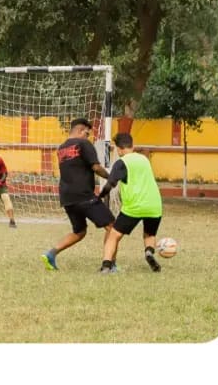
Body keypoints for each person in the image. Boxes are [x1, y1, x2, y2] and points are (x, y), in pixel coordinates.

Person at [40, 117, 113, 271]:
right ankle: (109, 264)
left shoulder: (61, 148)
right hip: (84, 195)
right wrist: (110, 177)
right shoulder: (84, 144)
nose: (88, 136)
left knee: (79, 231)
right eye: (87, 133)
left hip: (67, 197)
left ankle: (51, 254)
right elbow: (96, 167)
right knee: (112, 227)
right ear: (81, 130)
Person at [97, 133, 164, 274]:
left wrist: (101, 195)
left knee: (114, 236)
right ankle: (149, 252)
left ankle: (106, 266)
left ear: (119, 149)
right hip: (154, 204)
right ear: (132, 146)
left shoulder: (122, 162)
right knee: (149, 234)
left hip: (134, 206)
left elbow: (111, 183)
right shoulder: (144, 159)